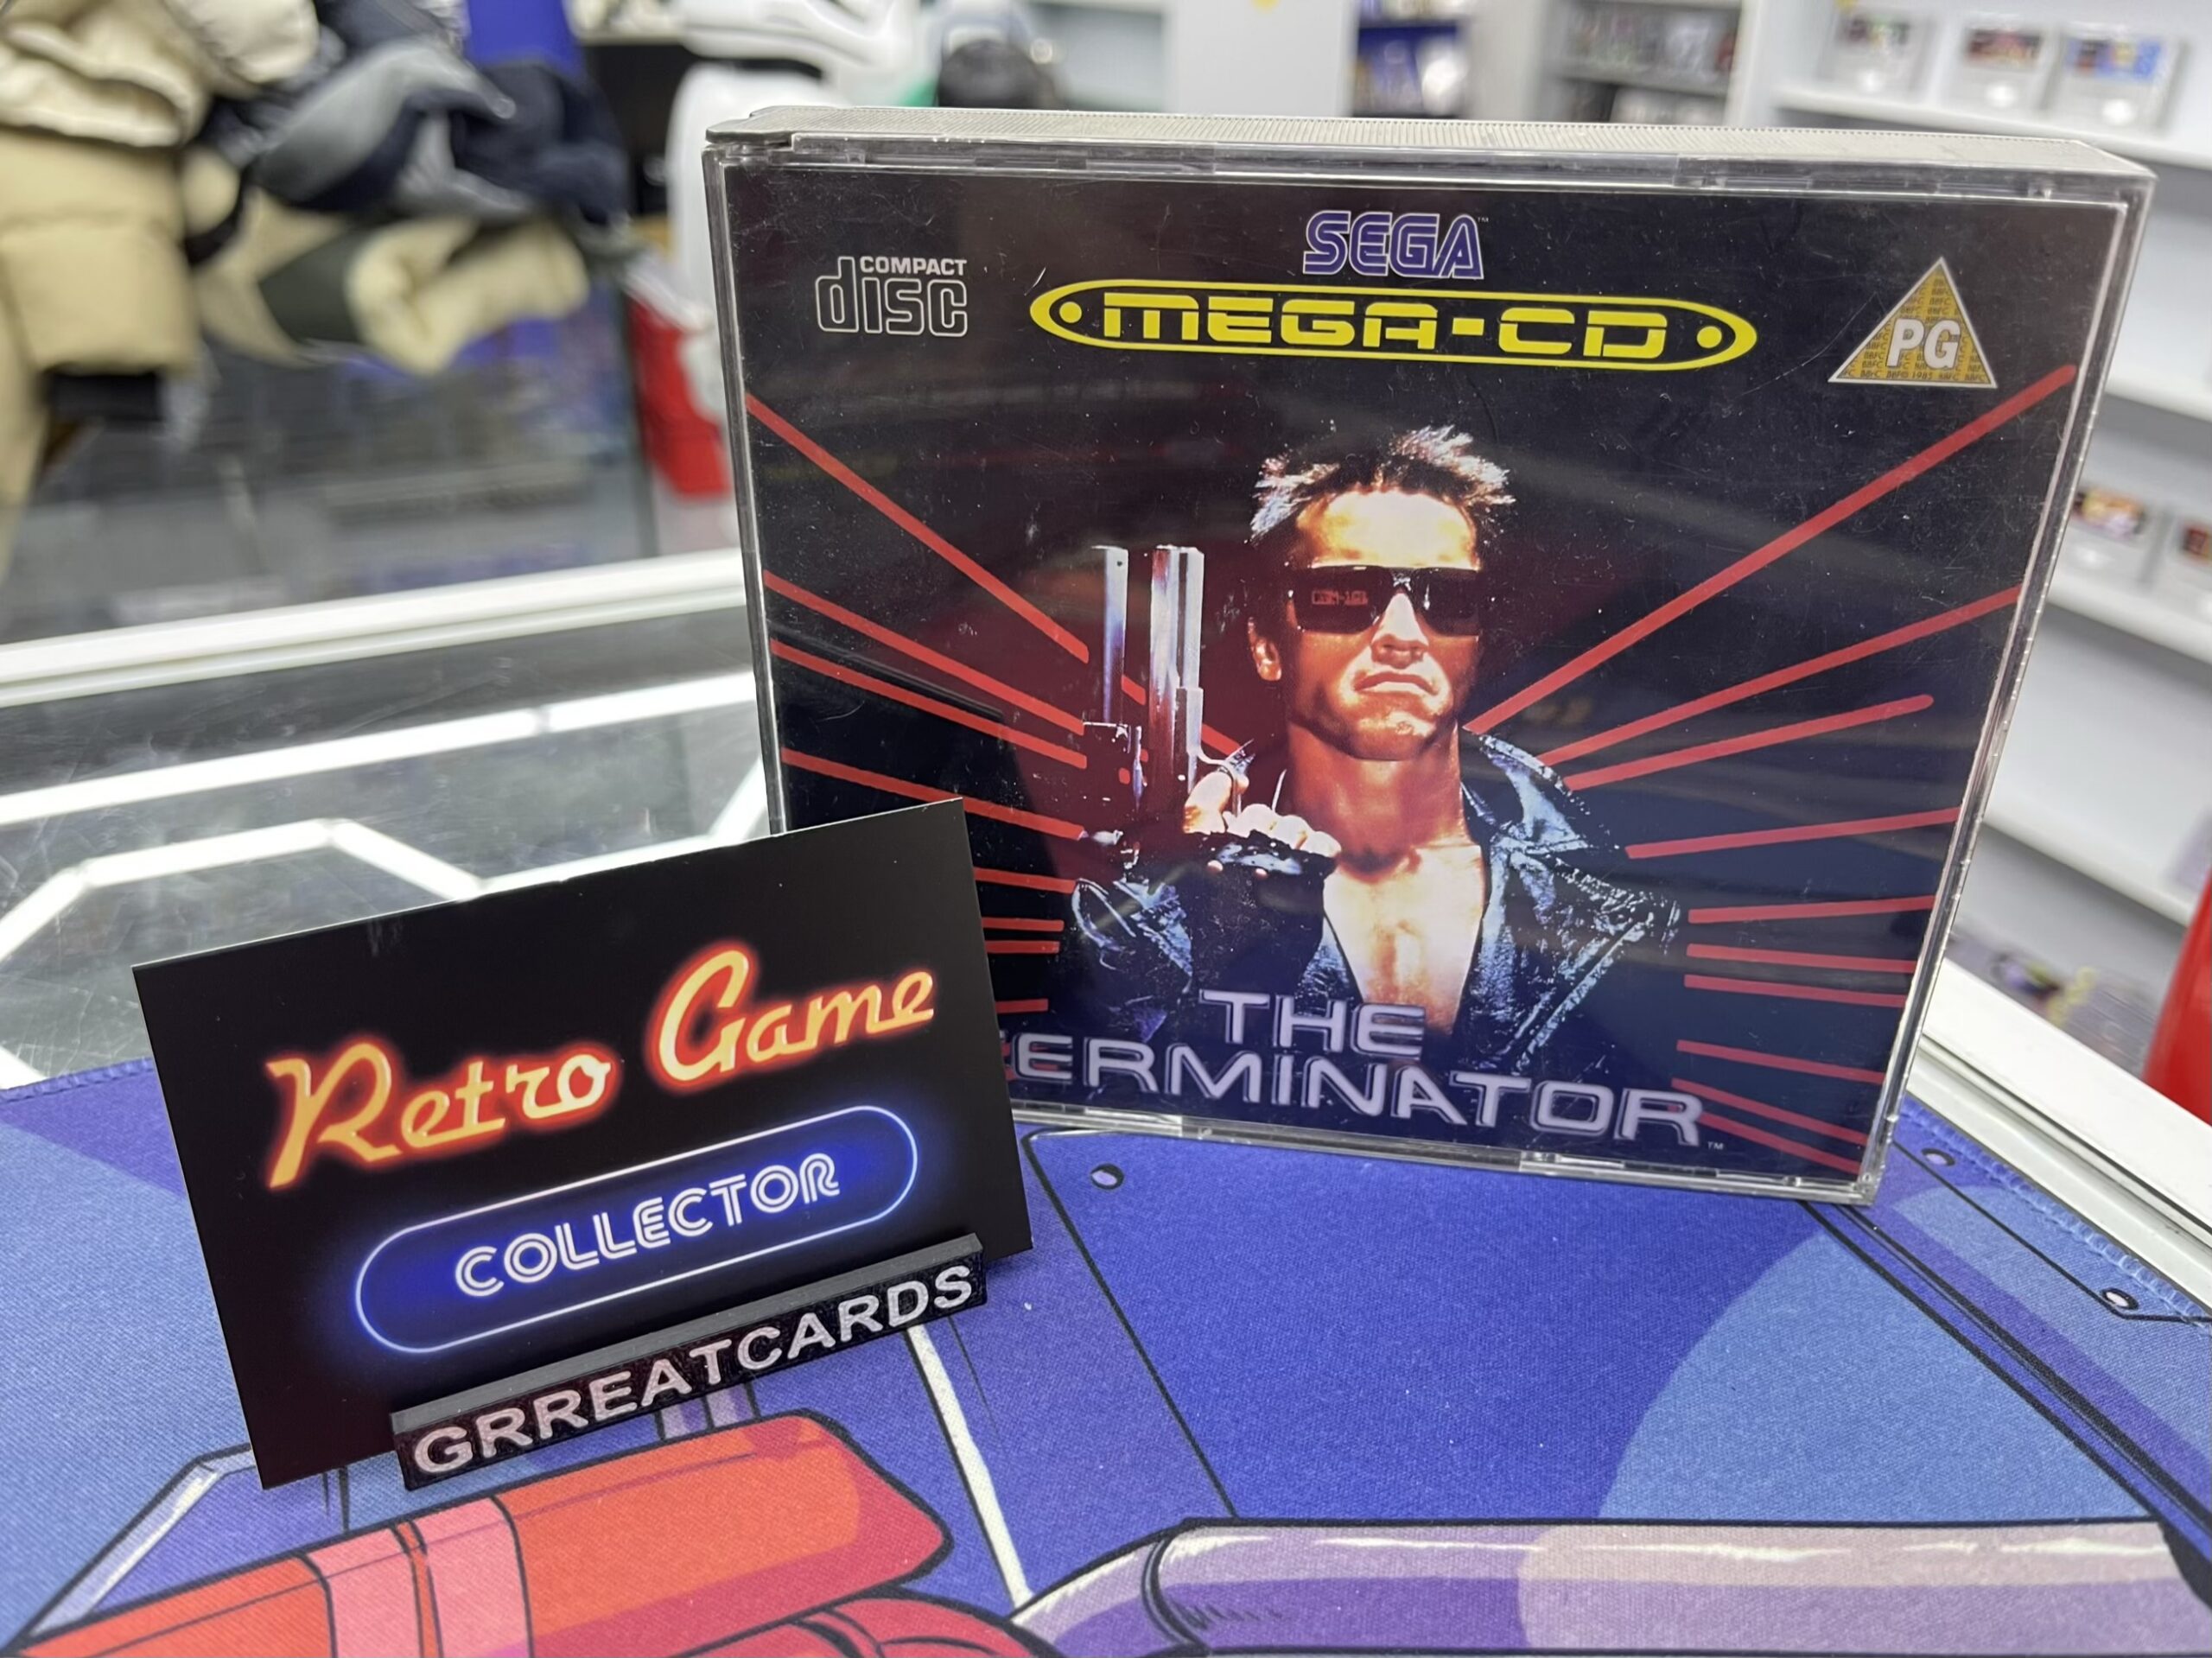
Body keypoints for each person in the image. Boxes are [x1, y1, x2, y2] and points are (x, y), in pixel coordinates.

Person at [1070, 426, 1672, 1075]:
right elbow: (1092, 1109)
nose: (1403, 635)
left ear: (1478, 644)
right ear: (1267, 645)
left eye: (1449, 597)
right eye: (1345, 595)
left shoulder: (1603, 897)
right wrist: (1216, 950)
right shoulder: (1161, 903)